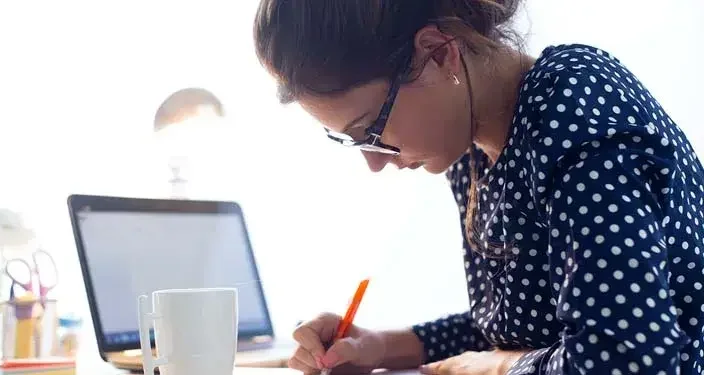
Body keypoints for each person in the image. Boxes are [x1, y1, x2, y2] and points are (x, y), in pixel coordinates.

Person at [253, 1, 704, 374]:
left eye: (372, 129)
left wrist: (493, 368)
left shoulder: (574, 105)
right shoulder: (470, 149)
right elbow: (519, 324)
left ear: (436, 53)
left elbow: (627, 361)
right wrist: (378, 346)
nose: (374, 163)